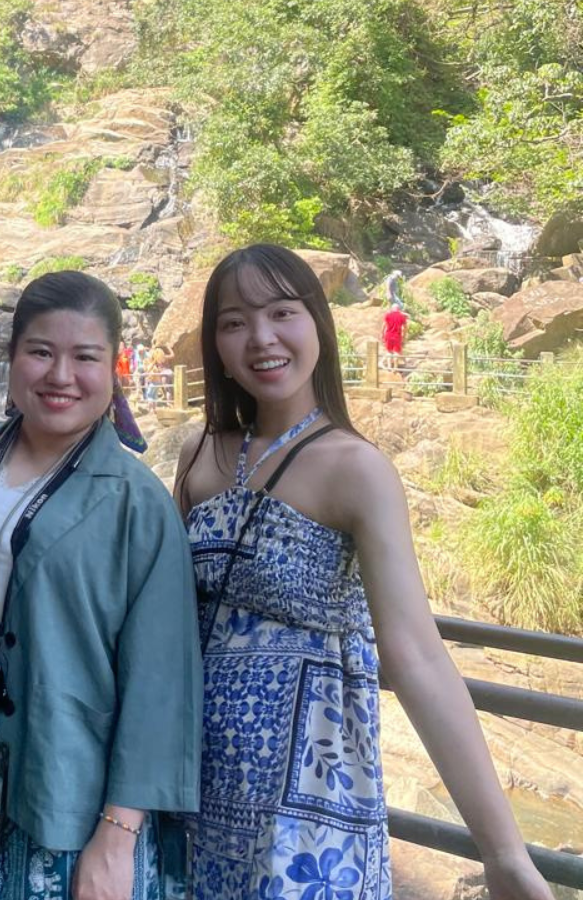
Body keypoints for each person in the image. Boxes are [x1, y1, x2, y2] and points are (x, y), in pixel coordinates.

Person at [172, 244, 552, 900]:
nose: (261, 337)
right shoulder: (199, 453)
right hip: (191, 785)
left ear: (318, 324)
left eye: (281, 313)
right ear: (216, 347)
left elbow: (416, 657)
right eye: (234, 322)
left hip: (308, 801)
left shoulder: (358, 470)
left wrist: (504, 853)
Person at [0, 271, 203, 900]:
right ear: (12, 358)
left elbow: (160, 681)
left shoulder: (137, 502)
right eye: (40, 351)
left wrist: (118, 836)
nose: (60, 375)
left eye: (84, 357)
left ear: (113, 367)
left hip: (69, 778)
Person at [381, 301, 408, 371]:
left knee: (389, 351)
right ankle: (395, 368)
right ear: (398, 309)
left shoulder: (388, 315)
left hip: (388, 335)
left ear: (392, 308)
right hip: (397, 336)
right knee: (396, 352)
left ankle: (389, 367)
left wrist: (382, 334)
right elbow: (405, 328)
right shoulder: (402, 316)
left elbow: (383, 326)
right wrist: (404, 336)